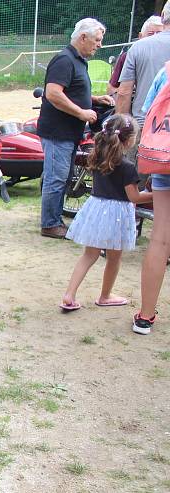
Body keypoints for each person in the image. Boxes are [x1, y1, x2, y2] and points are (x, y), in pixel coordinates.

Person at [60, 114, 153, 311]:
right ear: (128, 140)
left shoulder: (97, 157)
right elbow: (134, 198)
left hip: (96, 209)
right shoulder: (127, 167)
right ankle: (105, 296)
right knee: (114, 258)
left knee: (88, 255)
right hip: (117, 215)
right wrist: (155, 195)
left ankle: (69, 294)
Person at [37, 18, 114, 239]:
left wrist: (94, 99)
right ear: (83, 38)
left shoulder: (78, 61)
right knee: (56, 178)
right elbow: (53, 93)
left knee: (63, 177)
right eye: (97, 40)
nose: (99, 45)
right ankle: (50, 224)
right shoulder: (64, 60)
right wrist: (81, 113)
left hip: (68, 133)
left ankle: (54, 220)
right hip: (57, 132)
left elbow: (72, 92)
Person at [132, 62, 170, 334]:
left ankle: (145, 316)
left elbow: (148, 115)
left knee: (160, 238)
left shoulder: (166, 70)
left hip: (164, 161)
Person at [116, 2, 170, 126]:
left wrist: (123, 128)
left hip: (144, 123)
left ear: (162, 16)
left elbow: (124, 92)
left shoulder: (138, 47)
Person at [107, 16, 163, 97]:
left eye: (159, 34)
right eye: (150, 34)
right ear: (140, 36)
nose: (154, 38)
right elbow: (111, 89)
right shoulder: (127, 57)